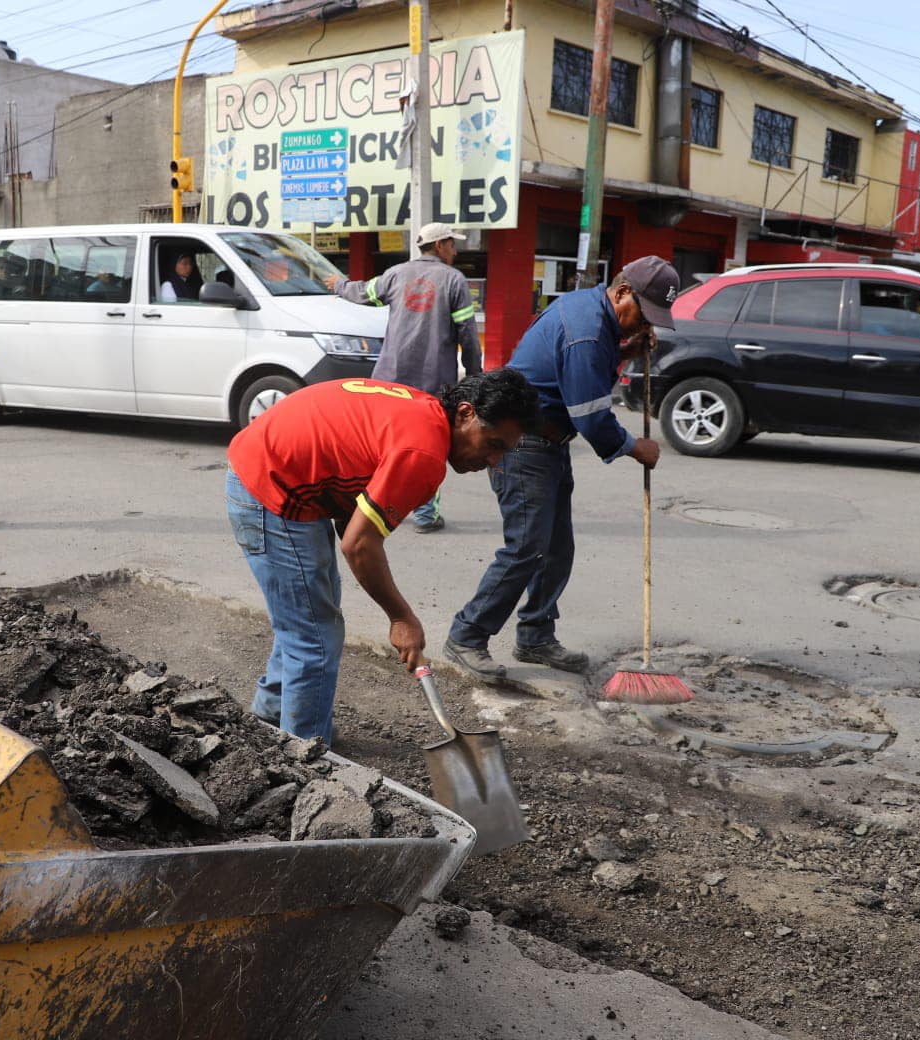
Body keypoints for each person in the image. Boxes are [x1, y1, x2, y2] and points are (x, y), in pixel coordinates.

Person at [226, 369, 539, 745]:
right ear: (465, 413)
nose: (493, 460)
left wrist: (387, 596)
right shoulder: (422, 453)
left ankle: (272, 720)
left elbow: (354, 521)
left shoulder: (426, 415)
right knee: (314, 637)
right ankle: (303, 759)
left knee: (310, 617)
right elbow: (359, 545)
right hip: (271, 487)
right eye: (493, 444)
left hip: (280, 475)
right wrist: (401, 617)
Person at [446, 256, 673, 681]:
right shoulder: (587, 332)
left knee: (556, 547)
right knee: (527, 547)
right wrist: (632, 446)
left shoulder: (593, 312)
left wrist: (629, 346)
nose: (643, 324)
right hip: (521, 442)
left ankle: (535, 635)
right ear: (622, 292)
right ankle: (467, 635)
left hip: (547, 441)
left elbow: (574, 377)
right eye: (643, 314)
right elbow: (589, 413)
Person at [330, 222, 483, 533]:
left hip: (388, 380)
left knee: (379, 442)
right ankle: (425, 516)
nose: (454, 250)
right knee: (431, 445)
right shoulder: (453, 279)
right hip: (432, 384)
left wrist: (339, 284)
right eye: (452, 244)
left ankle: (364, 506)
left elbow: (362, 293)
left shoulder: (396, 274)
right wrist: (475, 377)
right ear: (439, 246)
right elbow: (467, 334)